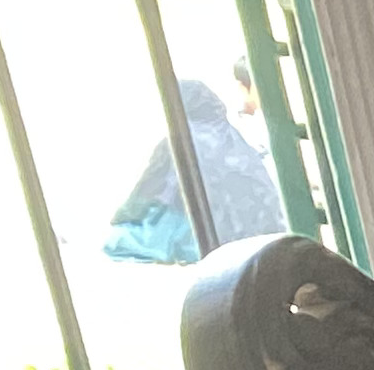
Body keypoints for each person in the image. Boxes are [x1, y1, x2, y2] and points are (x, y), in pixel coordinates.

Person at [100, 74, 284, 264]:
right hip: (261, 232)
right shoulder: (231, 134)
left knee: (120, 240)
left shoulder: (180, 139)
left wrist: (122, 217)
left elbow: (147, 189)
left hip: (213, 236)